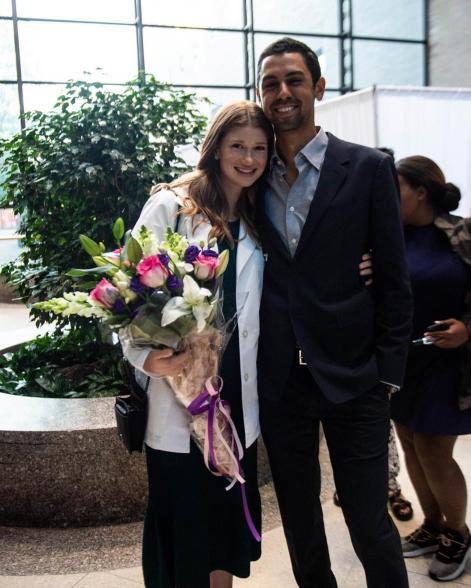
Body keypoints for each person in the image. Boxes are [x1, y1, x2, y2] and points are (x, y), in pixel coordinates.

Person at [255, 37, 413, 587]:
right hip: (281, 381)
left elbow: (394, 278)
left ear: (318, 88)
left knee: (369, 521)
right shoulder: (249, 176)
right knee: (299, 522)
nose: (283, 93)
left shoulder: (368, 167)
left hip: (356, 377)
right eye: (271, 82)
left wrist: (388, 375)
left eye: (294, 80)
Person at [121, 101, 274, 588]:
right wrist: (146, 357)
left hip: (234, 403)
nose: (248, 159)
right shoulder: (171, 204)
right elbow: (127, 292)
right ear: (216, 147)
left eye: (259, 149)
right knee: (185, 530)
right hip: (180, 398)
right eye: (237, 146)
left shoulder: (257, 212)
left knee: (223, 530)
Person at [390, 155, 471, 582]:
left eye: (397, 188)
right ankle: (434, 524)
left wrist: (467, 328)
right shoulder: (389, 235)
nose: (389, 196)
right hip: (403, 360)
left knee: (434, 450)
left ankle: (458, 535)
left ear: (421, 191)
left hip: (449, 362)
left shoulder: (462, 232)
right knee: (408, 444)